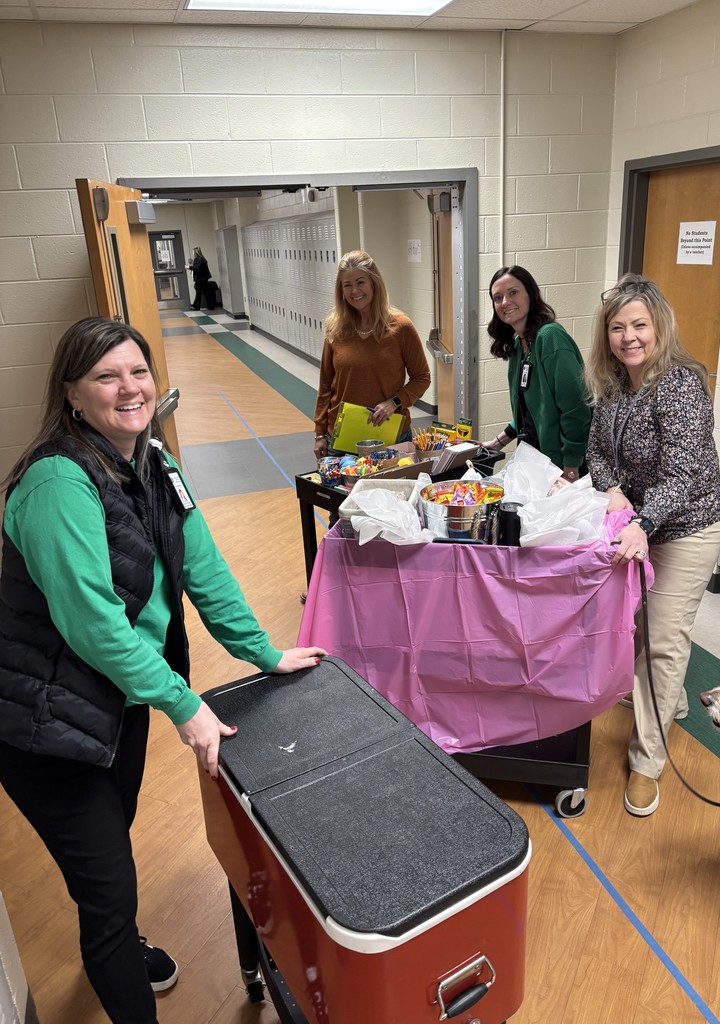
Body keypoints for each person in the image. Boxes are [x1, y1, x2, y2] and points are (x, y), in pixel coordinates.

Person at [0, 317, 326, 1024]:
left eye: (138, 371)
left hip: (112, 703)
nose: (129, 388)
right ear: (72, 395)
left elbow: (204, 571)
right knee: (108, 889)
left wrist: (264, 653)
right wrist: (183, 703)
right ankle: (118, 953)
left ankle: (117, 942)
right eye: (106, 376)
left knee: (110, 843)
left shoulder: (154, 464)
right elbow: (93, 624)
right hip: (42, 721)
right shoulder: (58, 480)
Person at [585, 274, 720, 817]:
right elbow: (597, 453)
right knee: (642, 624)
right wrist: (613, 488)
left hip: (689, 524)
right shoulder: (614, 386)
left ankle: (648, 762)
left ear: (658, 326)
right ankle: (664, 699)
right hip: (639, 523)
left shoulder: (682, 384)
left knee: (666, 637)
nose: (630, 337)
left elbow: (682, 471)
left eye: (639, 325)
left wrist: (640, 520)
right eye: (618, 327)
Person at [312, 250, 431, 462]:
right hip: (341, 440)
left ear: (374, 283)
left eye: (360, 282)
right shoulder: (335, 329)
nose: (354, 291)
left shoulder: (400, 327)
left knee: (393, 494)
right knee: (345, 495)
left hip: (388, 436)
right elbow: (325, 386)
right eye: (347, 285)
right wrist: (319, 433)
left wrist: (394, 402)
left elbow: (422, 377)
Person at [483, 266, 592, 480]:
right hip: (537, 458)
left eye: (513, 292)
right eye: (498, 298)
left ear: (530, 294)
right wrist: (499, 442)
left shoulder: (550, 338)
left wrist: (571, 468)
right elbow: (531, 410)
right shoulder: (519, 345)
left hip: (563, 465)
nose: (505, 302)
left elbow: (576, 410)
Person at [188, 245, 211, 310]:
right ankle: (210, 305)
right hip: (203, 278)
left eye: (193, 252)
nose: (192, 253)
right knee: (206, 292)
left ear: (195, 252)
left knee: (198, 292)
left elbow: (197, 268)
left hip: (200, 279)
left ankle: (196, 306)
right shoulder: (202, 259)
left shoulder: (198, 259)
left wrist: (189, 267)